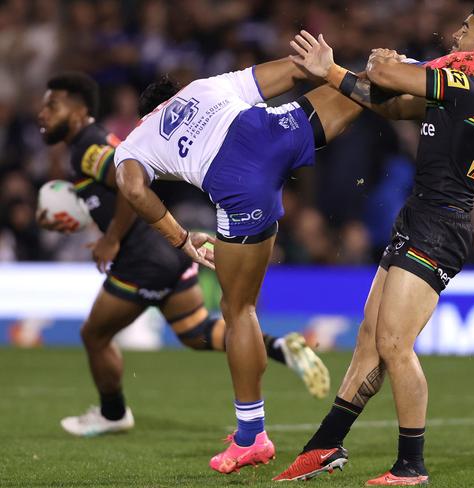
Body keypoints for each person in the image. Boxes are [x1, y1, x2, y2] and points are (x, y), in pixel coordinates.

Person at [275, 4, 474, 486]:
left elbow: (384, 73)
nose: (457, 34)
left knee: (395, 344)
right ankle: (323, 446)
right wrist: (343, 74)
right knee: (370, 338)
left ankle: (411, 466)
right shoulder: (458, 88)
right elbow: (387, 101)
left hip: (440, 227)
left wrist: (379, 62)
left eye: (466, 29)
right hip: (419, 218)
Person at [36, 72, 331, 439]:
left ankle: (112, 414)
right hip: (166, 251)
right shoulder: (94, 144)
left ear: (79, 110)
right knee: (196, 331)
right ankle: (279, 347)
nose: (42, 113)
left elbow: (130, 189)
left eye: (52, 104)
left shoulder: (88, 147)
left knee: (94, 334)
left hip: (143, 256)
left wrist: (111, 239)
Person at [113, 57, 367, 473]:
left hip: (239, 184)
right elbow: (293, 69)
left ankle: (252, 437)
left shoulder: (136, 141)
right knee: (366, 88)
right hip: (271, 131)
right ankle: (446, 82)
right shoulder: (202, 86)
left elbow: (132, 187)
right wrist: (326, 66)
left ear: (146, 114)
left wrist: (180, 239)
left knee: (238, 309)